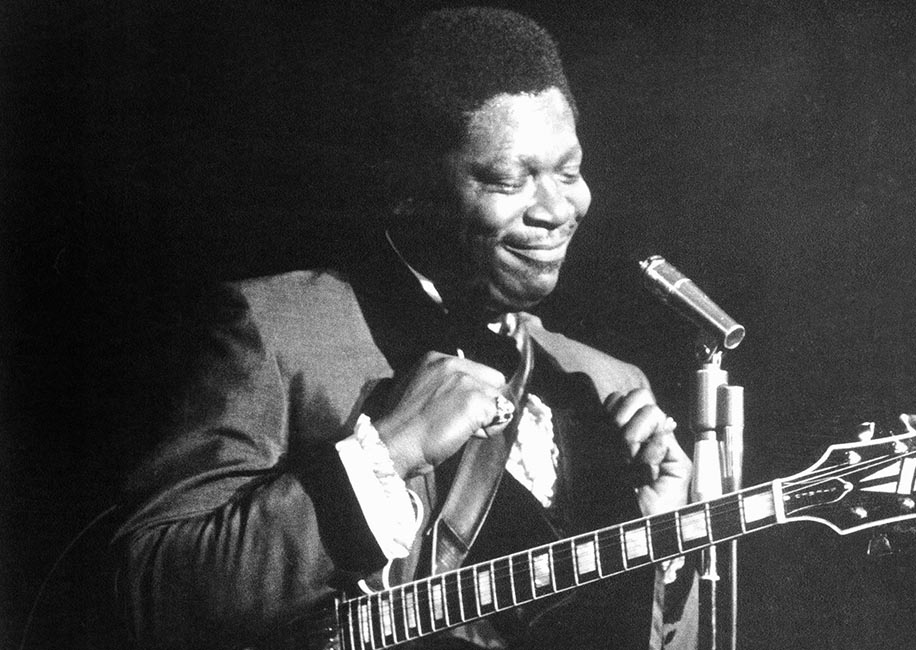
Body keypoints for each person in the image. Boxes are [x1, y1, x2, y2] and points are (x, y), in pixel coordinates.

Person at [112, 7, 699, 650]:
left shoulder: (608, 384)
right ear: (411, 188)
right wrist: (388, 454)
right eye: (510, 180)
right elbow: (150, 596)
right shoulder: (275, 331)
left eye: (569, 172)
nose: (558, 209)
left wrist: (658, 543)